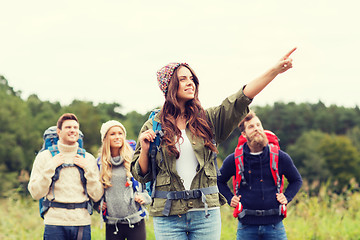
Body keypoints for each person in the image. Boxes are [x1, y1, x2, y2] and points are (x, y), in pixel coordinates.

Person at [131, 47, 297, 240]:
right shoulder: (153, 125)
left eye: (192, 78)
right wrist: (144, 149)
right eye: (183, 79)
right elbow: (141, 175)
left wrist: (274, 71)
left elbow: (240, 99)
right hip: (168, 216)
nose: (190, 82)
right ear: (168, 85)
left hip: (205, 213)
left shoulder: (208, 120)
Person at [217, 111, 303, 240]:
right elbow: (219, 181)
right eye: (251, 126)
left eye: (258, 125)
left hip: (275, 226)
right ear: (244, 134)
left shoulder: (280, 156)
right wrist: (230, 198)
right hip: (246, 227)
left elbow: (296, 180)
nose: (256, 129)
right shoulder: (234, 159)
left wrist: (287, 197)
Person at [28, 113, 103, 240]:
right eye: (68, 127)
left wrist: (88, 170)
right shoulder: (44, 157)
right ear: (59, 132)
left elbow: (97, 195)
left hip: (81, 222)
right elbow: (35, 193)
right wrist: (50, 167)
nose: (73, 130)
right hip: (54, 223)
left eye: (75, 127)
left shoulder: (88, 159)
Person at [98, 120, 151, 240]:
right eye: (112, 134)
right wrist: (98, 205)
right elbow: (94, 190)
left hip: (136, 220)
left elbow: (148, 182)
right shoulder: (99, 164)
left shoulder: (134, 159)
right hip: (113, 223)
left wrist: (144, 197)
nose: (117, 137)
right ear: (105, 138)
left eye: (120, 133)